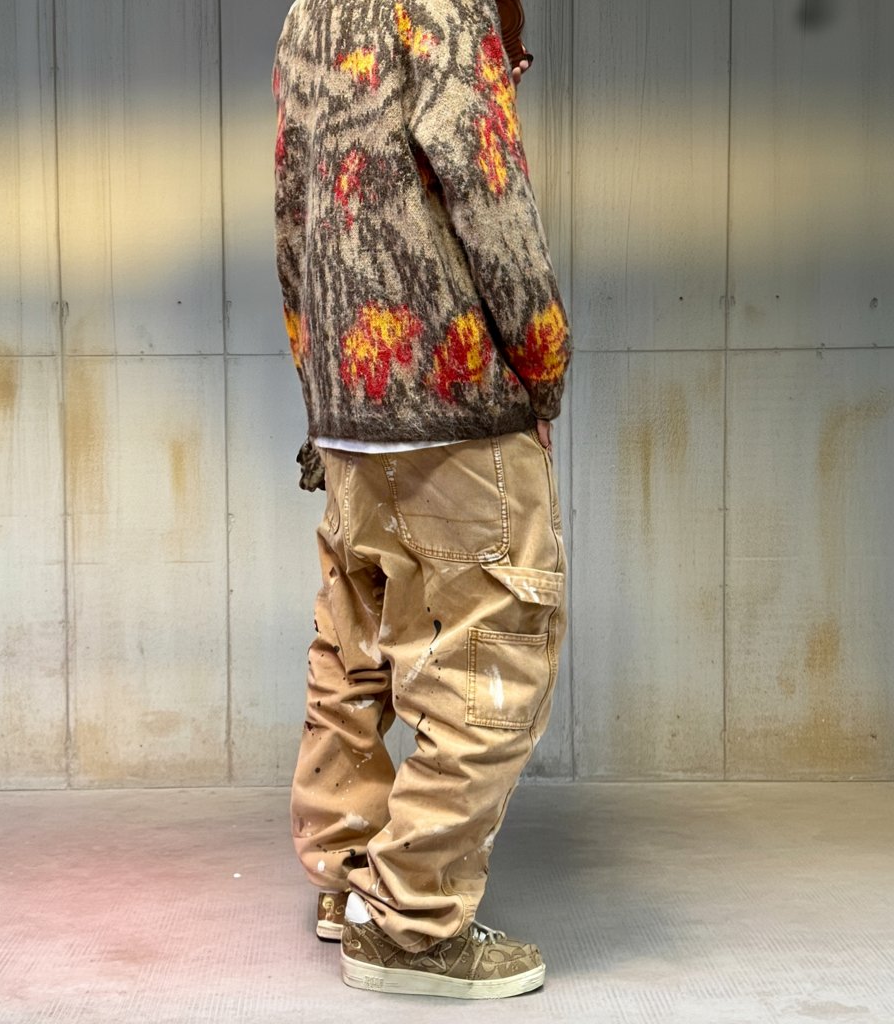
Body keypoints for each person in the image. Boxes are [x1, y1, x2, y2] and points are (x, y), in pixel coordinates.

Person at [272, 0, 571, 999]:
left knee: (353, 652)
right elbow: (489, 192)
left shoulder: (308, 14)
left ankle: (349, 879)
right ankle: (409, 927)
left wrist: (322, 390)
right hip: (453, 398)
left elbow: (293, 210)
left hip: (350, 406)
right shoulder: (440, 7)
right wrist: (542, 369)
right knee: (494, 661)